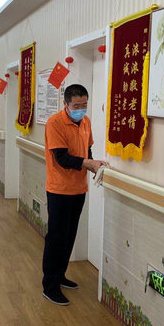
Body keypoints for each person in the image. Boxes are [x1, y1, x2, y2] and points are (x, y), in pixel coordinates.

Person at [42, 84, 107, 306]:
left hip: (79, 189)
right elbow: (61, 157)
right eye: (76, 106)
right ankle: (49, 286)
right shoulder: (55, 123)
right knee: (56, 238)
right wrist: (88, 163)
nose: (81, 109)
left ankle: (60, 275)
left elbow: (86, 149)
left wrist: (93, 163)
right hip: (59, 189)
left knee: (69, 235)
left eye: (84, 105)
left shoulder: (86, 122)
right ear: (66, 104)